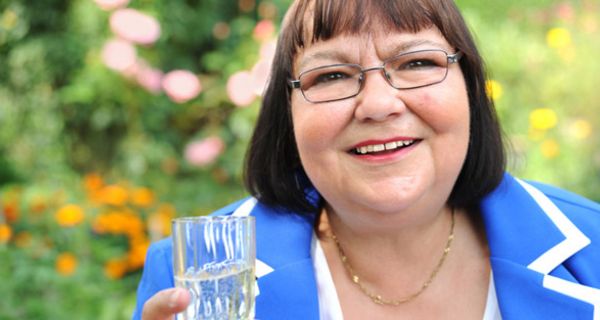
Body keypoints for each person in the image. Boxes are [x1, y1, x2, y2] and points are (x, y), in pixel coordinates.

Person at [133, 0, 600, 319]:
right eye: (332, 75)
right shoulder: (192, 275)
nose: (379, 104)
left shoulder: (593, 251)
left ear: (471, 89)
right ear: (286, 114)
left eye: (416, 63)